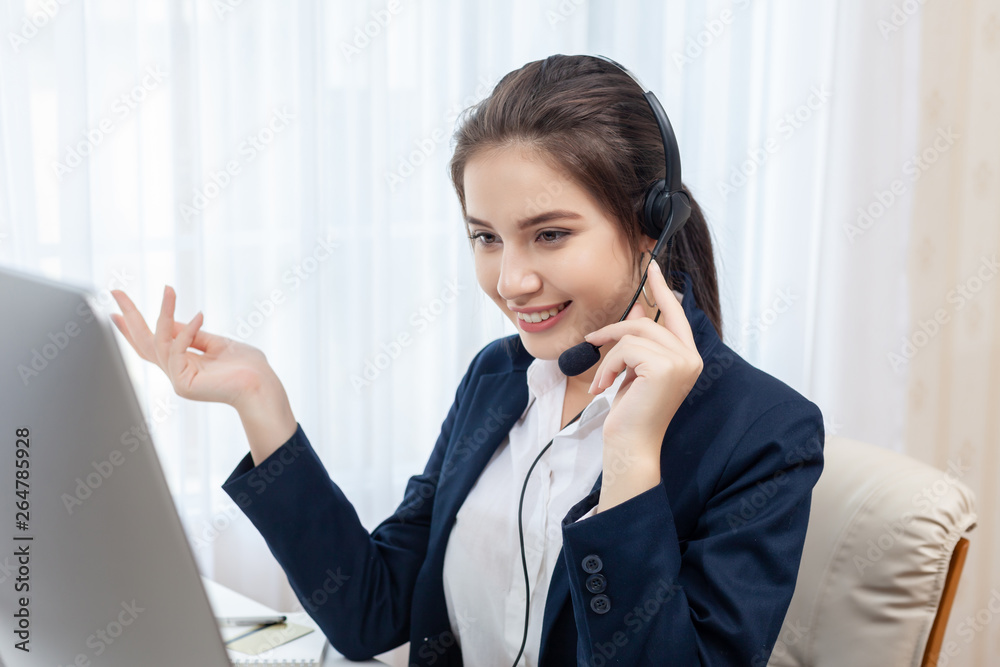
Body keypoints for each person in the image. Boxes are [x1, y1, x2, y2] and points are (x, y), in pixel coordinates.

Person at [111, 54, 824, 666]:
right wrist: (258, 398)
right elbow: (372, 611)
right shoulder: (499, 376)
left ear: (650, 224)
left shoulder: (763, 432)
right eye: (486, 237)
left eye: (549, 235)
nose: (511, 280)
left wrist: (631, 459)